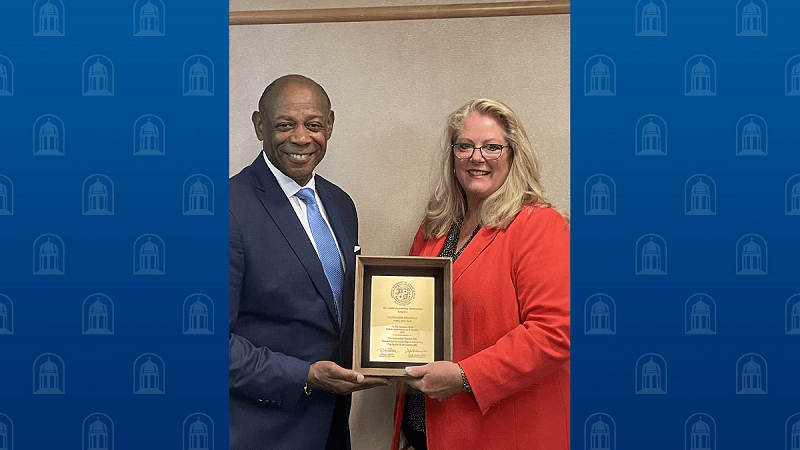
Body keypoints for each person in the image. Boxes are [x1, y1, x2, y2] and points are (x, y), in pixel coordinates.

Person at [393, 99, 570, 450]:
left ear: (513, 155)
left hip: (501, 434)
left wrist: (465, 377)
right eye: (465, 146)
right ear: (453, 155)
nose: (477, 157)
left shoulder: (538, 224)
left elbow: (555, 331)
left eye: (492, 146)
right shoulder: (436, 229)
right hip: (425, 432)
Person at [229, 74, 387, 450]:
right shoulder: (228, 208)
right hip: (258, 431)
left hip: (331, 425)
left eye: (313, 125)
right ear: (259, 125)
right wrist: (305, 375)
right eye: (285, 125)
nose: (301, 138)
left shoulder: (340, 204)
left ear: (329, 125)